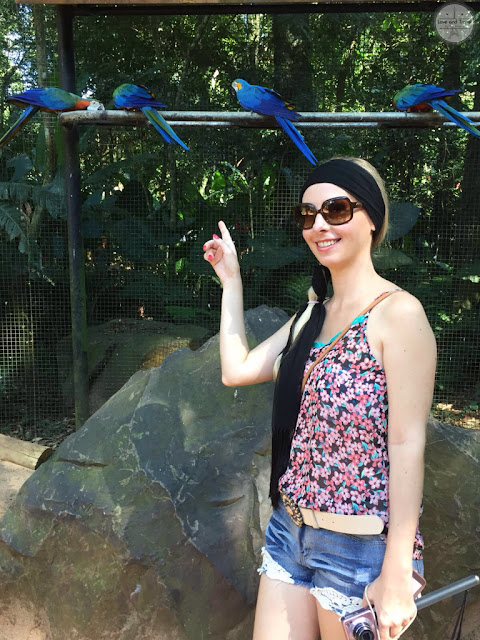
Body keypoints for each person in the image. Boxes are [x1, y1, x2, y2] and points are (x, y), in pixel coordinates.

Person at [202, 157, 436, 640]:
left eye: (335, 209)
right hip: (291, 533)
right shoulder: (312, 315)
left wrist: (397, 570)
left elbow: (408, 444)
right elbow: (236, 370)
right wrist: (232, 282)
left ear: (370, 217)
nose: (320, 225)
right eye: (308, 215)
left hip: (360, 550)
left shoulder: (399, 314)